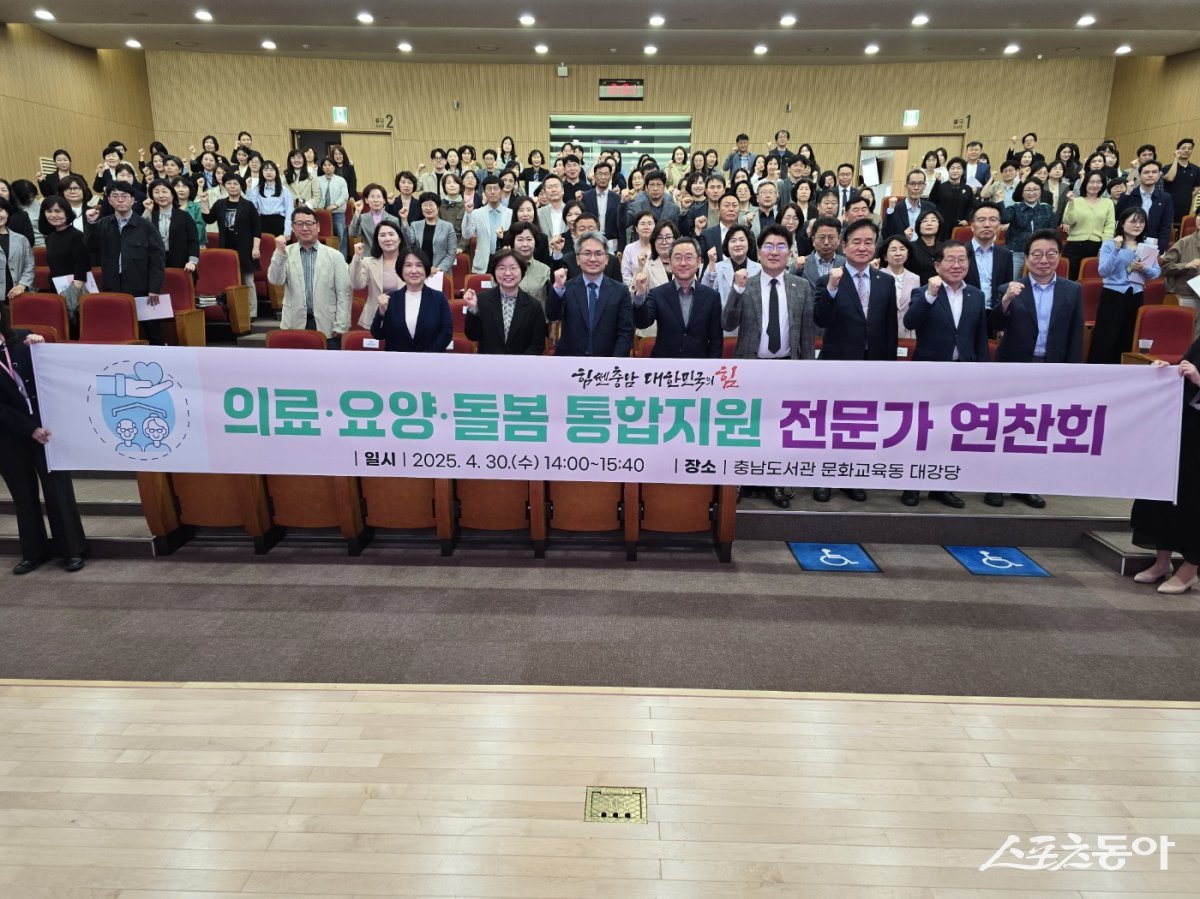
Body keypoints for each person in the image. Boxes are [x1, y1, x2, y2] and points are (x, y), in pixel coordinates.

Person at [987, 229, 1084, 508]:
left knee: (1037, 430)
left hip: (1051, 368)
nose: (1044, 260)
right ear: (1026, 258)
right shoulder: (1012, 288)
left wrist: (1072, 374)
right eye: (1037, 254)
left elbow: (1076, 335)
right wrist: (1005, 301)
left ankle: (1026, 485)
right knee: (1005, 427)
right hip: (1015, 366)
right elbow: (994, 325)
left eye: (1050, 254)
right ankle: (994, 484)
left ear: (1059, 257)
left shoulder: (1072, 290)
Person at [722, 224, 817, 508]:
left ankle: (777, 481)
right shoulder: (746, 284)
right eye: (768, 247)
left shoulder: (802, 286)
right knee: (748, 426)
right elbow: (727, 323)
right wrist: (736, 291)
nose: (774, 252)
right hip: (752, 366)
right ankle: (742, 480)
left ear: (789, 253)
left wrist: (808, 373)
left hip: (788, 366)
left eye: (781, 247)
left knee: (780, 428)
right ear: (758, 252)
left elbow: (808, 336)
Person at [814, 218, 899, 504]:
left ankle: (851, 477)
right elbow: (821, 319)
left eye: (869, 242)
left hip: (872, 363)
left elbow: (890, 329)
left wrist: (887, 369)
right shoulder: (829, 279)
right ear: (843, 245)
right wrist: (832, 289)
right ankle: (823, 477)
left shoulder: (885, 281)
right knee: (831, 423)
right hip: (838, 363)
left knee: (860, 424)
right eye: (856, 242)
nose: (863, 248)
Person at [899, 240, 988, 507]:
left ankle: (941, 486)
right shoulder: (925, 292)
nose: (957, 265)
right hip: (929, 372)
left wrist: (982, 374)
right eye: (950, 259)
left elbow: (980, 338)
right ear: (937, 265)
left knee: (951, 433)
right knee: (922, 432)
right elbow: (910, 322)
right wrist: (929, 296)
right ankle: (912, 486)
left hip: (963, 373)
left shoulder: (976, 295)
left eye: (962, 260)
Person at [0, 310, 86, 574]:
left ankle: (72, 550)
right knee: (23, 494)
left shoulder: (25, 339)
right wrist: (29, 429)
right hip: (9, 434)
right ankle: (33, 552)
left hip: (46, 426)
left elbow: (51, 379)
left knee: (57, 489)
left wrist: (42, 350)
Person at [1130, 343, 1200, 594]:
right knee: (1164, 491)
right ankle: (1162, 561)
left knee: (1194, 500)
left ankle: (1190, 570)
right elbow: (1186, 370)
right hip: (1184, 422)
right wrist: (1167, 372)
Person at [83, 182, 166, 338]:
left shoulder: (146, 226)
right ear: (109, 200)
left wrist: (154, 288)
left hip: (141, 286)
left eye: (124, 196)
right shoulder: (102, 224)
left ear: (133, 200)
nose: (120, 200)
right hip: (112, 285)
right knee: (117, 326)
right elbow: (91, 247)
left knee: (152, 330)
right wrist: (92, 224)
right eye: (115, 196)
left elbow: (157, 260)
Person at [630, 235, 723, 360]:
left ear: (699, 260)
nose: (683, 263)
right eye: (677, 258)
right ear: (670, 261)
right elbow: (642, 323)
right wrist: (640, 294)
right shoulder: (657, 294)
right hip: (665, 368)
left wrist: (712, 368)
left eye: (689, 257)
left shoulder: (712, 297)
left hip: (699, 368)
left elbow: (716, 340)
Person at [269, 206, 351, 347]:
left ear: (318, 227)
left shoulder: (335, 256)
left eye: (309, 223)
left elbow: (344, 292)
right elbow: (276, 280)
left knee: (327, 367)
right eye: (299, 224)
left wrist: (341, 325)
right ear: (293, 228)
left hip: (327, 324)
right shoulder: (285, 253)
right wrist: (279, 253)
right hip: (294, 322)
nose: (305, 228)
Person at [1088, 207, 1160, 364]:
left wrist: (1144, 269)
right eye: (1133, 221)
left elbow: (1156, 272)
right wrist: (1116, 250)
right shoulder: (1110, 244)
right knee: (1106, 337)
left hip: (1136, 295)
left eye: (1141, 222)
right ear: (1122, 224)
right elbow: (1103, 271)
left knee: (1129, 334)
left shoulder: (1148, 246)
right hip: (1113, 295)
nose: (1138, 225)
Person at [546, 230, 634, 357]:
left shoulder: (620, 291)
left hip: (607, 364)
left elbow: (626, 332)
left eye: (598, 253)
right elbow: (552, 314)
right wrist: (558, 287)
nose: (593, 259)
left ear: (607, 259)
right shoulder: (566, 288)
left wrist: (615, 362)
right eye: (587, 253)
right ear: (577, 259)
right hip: (570, 362)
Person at [462, 247, 546, 355]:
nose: (507, 273)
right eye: (501, 268)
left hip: (521, 368)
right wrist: (472, 308)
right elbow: (472, 335)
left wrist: (517, 364)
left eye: (513, 268)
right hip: (489, 366)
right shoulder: (482, 300)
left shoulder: (534, 306)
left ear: (522, 271)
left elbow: (537, 345)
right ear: (494, 272)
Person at [370, 247, 452, 353]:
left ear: (426, 269)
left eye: (419, 265)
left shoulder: (439, 299)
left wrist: (424, 358)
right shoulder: (390, 299)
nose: (414, 270)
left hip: (431, 363)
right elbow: (377, 334)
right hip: (397, 364)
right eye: (408, 265)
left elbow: (446, 333)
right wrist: (381, 312)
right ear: (401, 269)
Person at [200, 172, 261, 301]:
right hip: (226, 247)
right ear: (225, 185)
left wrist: (256, 248)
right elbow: (209, 219)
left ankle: (251, 312)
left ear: (241, 187)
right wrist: (204, 203)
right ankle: (234, 311)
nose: (232, 186)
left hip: (245, 248)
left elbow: (257, 229)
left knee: (248, 281)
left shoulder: (248, 205)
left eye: (235, 184)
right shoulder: (220, 204)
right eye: (229, 183)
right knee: (229, 280)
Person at [37, 197, 89, 324]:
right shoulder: (50, 238)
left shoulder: (77, 235)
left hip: (75, 290)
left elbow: (81, 264)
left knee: (75, 328)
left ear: (66, 212)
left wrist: (73, 292)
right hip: (56, 287)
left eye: (58, 211)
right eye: (49, 211)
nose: (54, 215)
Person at [963, 202, 1014, 330]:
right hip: (963, 315)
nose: (987, 225)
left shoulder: (1006, 255)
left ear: (999, 225)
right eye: (981, 220)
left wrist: (1003, 325)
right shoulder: (959, 252)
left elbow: (1006, 289)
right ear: (972, 225)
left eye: (993, 220)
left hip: (994, 316)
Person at [702, 224, 761, 328]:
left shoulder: (759, 269)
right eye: (733, 241)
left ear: (749, 243)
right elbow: (704, 296)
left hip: (752, 328)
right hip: (722, 326)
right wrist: (711, 263)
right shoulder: (716, 268)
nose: (738, 244)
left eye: (742, 240)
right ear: (726, 245)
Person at [1060, 170, 1116, 280]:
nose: (1095, 185)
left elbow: (1109, 227)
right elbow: (1068, 220)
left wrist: (1104, 248)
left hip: (1096, 247)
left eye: (1099, 182)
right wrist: (1071, 203)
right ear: (1085, 183)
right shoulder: (1075, 201)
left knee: (1090, 281)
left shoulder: (1108, 203)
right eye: (1091, 182)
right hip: (1074, 246)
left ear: (1103, 184)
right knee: (1070, 280)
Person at [350, 220, 405, 328]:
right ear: (377, 240)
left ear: (399, 238)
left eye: (391, 234)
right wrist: (357, 258)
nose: (387, 239)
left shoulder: (410, 262)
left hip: (404, 318)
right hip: (375, 318)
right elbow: (357, 285)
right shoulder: (368, 262)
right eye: (383, 235)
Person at [144, 178, 199, 276]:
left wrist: (192, 261)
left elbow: (193, 241)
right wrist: (148, 211)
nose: (161, 195)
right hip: (155, 262)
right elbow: (140, 234)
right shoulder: (149, 214)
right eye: (156, 192)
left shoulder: (184, 216)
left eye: (164, 192)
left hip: (181, 262)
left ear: (173, 194)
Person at [1116, 159, 1174, 250]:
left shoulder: (1165, 198)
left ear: (1159, 176)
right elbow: (1117, 216)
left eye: (1154, 172)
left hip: (1152, 244)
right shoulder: (1129, 194)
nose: (1150, 175)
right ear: (1139, 176)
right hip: (1128, 243)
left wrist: (1160, 250)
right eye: (1146, 172)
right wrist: (1127, 194)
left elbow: (1165, 227)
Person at [1002, 179, 1057, 275]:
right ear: (1022, 193)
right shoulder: (1015, 207)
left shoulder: (1047, 209)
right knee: (1013, 282)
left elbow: (1052, 232)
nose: (1031, 193)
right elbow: (1003, 218)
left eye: (1035, 189)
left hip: (1040, 253)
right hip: (1017, 252)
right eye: (1028, 190)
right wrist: (1000, 202)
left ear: (1041, 192)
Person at [463, 176, 514, 273]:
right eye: (489, 189)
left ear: (501, 191)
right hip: (483, 262)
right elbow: (467, 235)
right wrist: (468, 214)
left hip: (505, 260)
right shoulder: (476, 213)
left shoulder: (510, 213)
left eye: (496, 188)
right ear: (484, 192)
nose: (493, 192)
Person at [1161, 226, 1200, 338]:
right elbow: (1164, 268)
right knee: (1181, 338)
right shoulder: (1184, 242)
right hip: (1185, 296)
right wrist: (1185, 265)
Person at [405, 191, 456, 277]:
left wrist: (438, 269)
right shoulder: (415, 225)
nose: (428, 208)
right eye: (424, 205)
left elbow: (451, 253)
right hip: (419, 271)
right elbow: (408, 242)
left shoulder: (448, 227)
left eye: (431, 204)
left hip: (441, 273)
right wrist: (404, 220)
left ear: (438, 207)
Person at [878, 235, 920, 339]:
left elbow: (914, 310)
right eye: (893, 250)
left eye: (902, 249)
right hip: (881, 333)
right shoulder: (877, 276)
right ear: (885, 256)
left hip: (906, 334)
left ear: (908, 254)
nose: (898, 253)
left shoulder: (915, 278)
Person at [349, 183, 402, 259]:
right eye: (372, 197)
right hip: (368, 257)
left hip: (388, 258)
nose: (376, 200)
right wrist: (357, 212)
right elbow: (352, 233)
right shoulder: (362, 218)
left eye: (379, 197)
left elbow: (397, 241)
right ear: (367, 200)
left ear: (384, 200)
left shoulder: (393, 219)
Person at [0, 198, 35, 305]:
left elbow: (29, 265)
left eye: (1, 210)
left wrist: (22, 285)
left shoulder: (21, 239)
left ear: (7, 213)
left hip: (19, 294)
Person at [580, 161, 621, 249]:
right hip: (590, 240)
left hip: (612, 242)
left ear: (611, 177)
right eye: (600, 174)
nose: (603, 177)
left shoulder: (617, 198)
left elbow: (621, 226)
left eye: (606, 174)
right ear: (594, 176)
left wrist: (621, 249)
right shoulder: (586, 197)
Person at [930, 157, 974, 238]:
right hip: (942, 227)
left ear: (963, 171)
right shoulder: (941, 187)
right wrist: (937, 182)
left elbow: (971, 207)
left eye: (958, 168)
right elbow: (932, 200)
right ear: (948, 170)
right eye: (952, 168)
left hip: (959, 226)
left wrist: (967, 220)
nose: (955, 171)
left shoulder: (968, 189)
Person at [316, 157, 350, 257]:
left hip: (337, 212)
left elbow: (344, 195)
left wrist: (335, 205)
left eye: (330, 165)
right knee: (322, 236)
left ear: (334, 167)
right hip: (321, 213)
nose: (327, 167)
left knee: (341, 235)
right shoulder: (317, 180)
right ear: (322, 167)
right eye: (325, 165)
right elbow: (315, 194)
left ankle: (343, 259)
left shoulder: (340, 180)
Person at [249, 160, 292, 240]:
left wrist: (287, 232)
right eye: (265, 170)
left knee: (281, 251)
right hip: (262, 222)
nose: (268, 172)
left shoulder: (284, 190)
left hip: (279, 223)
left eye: (271, 170)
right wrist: (248, 190)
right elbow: (252, 208)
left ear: (276, 172)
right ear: (261, 172)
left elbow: (289, 211)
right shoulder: (256, 189)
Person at [800, 217, 846, 290]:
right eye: (822, 238)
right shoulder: (801, 265)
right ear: (813, 240)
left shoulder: (846, 264)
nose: (826, 242)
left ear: (838, 240)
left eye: (831, 238)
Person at [1162, 139, 1198, 226]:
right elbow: (1170, 178)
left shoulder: (1196, 169)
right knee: (1167, 229)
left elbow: (1197, 188)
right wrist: (1176, 159)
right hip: (1167, 205)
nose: (1186, 150)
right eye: (1183, 148)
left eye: (1189, 148)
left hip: (1185, 207)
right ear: (1178, 150)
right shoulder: (1167, 167)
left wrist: (1187, 197)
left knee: (1181, 230)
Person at [905, 209, 944, 284]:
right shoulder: (911, 247)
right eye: (925, 221)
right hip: (917, 290)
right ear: (918, 226)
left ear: (939, 225)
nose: (929, 223)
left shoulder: (945, 248)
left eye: (933, 220)